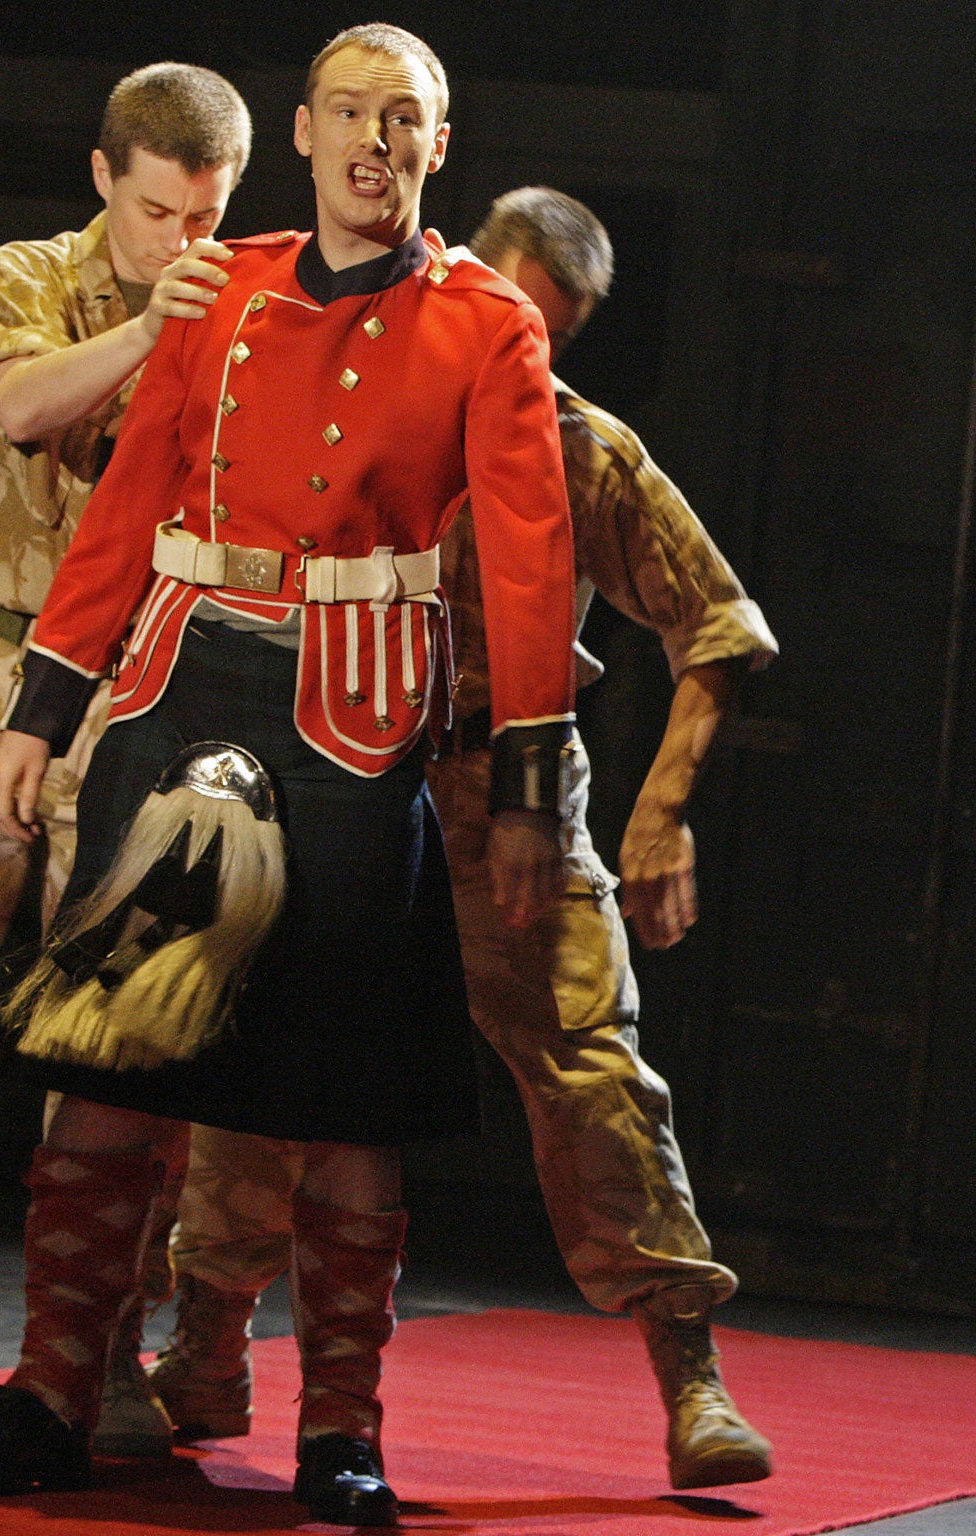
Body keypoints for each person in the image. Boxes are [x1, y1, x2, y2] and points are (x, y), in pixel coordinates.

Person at [0, 26, 579, 1527]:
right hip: (177, 693)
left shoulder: (489, 326)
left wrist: (533, 789)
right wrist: (41, 708)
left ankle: (341, 1428)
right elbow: (132, 497)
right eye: (348, 112)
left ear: (437, 145)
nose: (372, 141)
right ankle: (48, 1394)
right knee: (105, 1074)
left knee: (344, 1109)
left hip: (356, 728)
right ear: (301, 129)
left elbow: (532, 567)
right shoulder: (221, 289)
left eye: (400, 119)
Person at [144, 187, 781, 1490]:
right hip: (338, 762)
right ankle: (205, 1344)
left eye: (545, 334)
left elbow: (716, 627)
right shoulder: (343, 398)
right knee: (256, 1058)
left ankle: (689, 1367)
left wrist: (661, 811)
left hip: (511, 781)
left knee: (595, 1071)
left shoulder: (577, 447)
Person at [0, 61, 250, 1446]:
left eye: (207, 217)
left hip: (131, 688)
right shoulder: (27, 272)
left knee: (128, 1023)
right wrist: (154, 327)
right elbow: (21, 408)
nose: (182, 244)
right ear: (106, 178)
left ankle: (103, 1337)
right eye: (158, 213)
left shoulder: (245, 307)